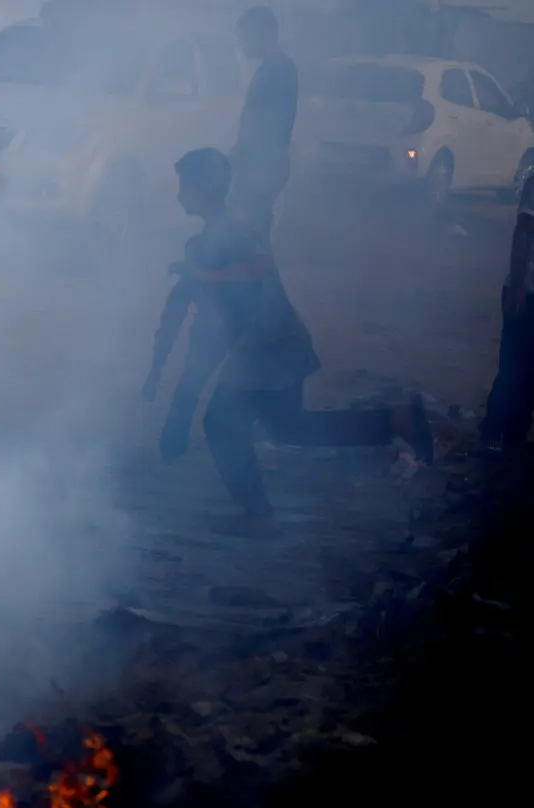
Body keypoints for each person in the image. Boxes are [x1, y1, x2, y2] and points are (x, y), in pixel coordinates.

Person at [161, 148, 433, 533]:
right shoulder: (214, 231)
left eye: (184, 187)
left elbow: (261, 265)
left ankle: (260, 515)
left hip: (267, 348)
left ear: (204, 188)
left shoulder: (232, 227)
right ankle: (395, 418)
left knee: (222, 425)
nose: (179, 196)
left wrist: (205, 276)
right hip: (268, 346)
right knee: (289, 427)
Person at [231, 5, 297, 245]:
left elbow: (265, 126)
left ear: (262, 33)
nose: (242, 44)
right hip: (263, 164)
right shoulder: (277, 68)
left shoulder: (275, 70)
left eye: (244, 36)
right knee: (252, 231)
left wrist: (240, 155)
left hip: (262, 166)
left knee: (248, 231)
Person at [479, 172, 534, 453]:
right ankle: (492, 433)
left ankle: (515, 436)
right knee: (514, 368)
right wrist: (518, 284)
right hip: (527, 290)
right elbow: (522, 230)